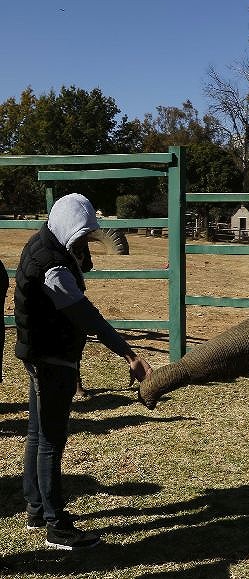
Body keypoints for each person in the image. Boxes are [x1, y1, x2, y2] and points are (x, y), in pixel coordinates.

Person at [14, 193, 152, 550]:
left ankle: (35, 508)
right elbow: (86, 315)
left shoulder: (47, 241)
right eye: (79, 238)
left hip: (41, 353)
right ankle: (56, 526)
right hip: (51, 358)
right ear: (66, 229)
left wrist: (80, 247)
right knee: (50, 441)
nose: (82, 245)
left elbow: (81, 270)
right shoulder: (53, 268)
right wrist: (128, 354)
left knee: (37, 432)